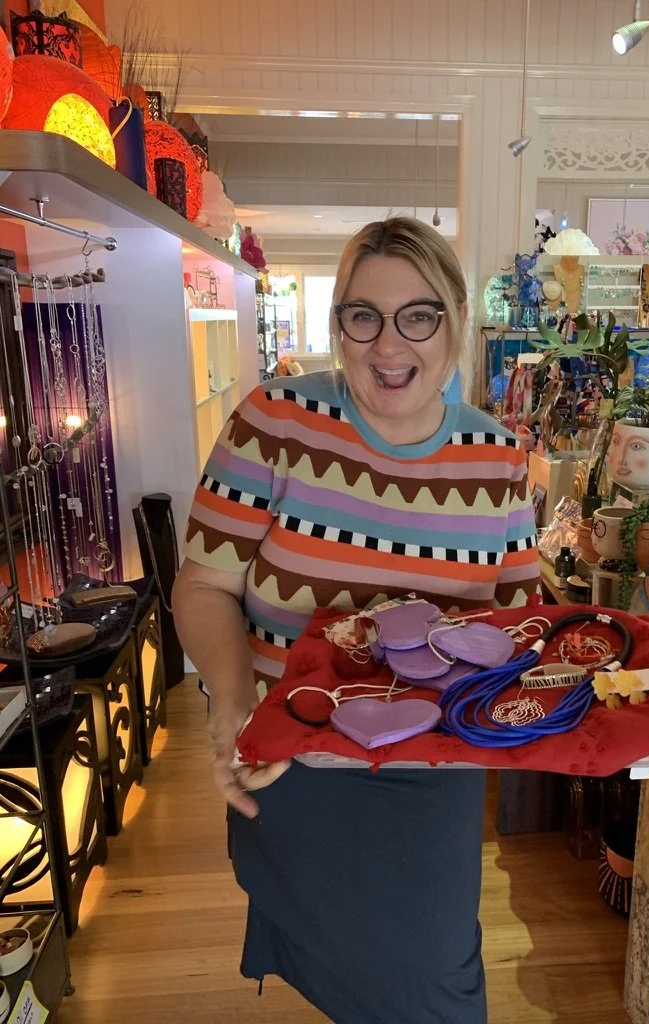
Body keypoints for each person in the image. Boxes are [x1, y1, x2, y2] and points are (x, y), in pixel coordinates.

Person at [172, 216, 540, 1024]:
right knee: (352, 979)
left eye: (419, 314)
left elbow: (520, 622)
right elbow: (202, 588)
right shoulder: (275, 423)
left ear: (455, 321)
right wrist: (231, 706)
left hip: (434, 777)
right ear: (337, 323)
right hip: (297, 766)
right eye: (362, 315)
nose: (388, 343)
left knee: (437, 983)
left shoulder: (500, 456)